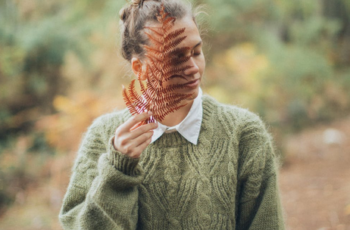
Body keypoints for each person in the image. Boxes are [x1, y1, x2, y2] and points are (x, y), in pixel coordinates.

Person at [59, 0, 285, 229]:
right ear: (140, 68)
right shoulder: (104, 137)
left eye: (196, 52)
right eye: (175, 58)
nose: (193, 68)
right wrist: (118, 170)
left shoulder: (243, 134)